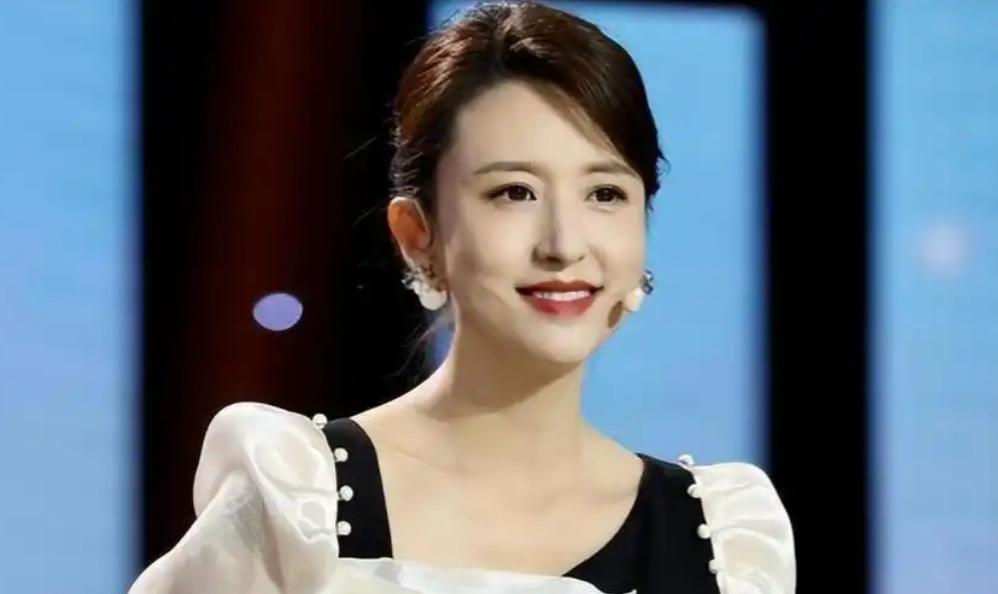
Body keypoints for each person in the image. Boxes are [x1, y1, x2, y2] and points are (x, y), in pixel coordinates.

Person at [128, 2, 795, 593]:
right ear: (418, 236)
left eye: (605, 194)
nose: (565, 244)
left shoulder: (722, 540)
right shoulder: (299, 498)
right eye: (514, 192)